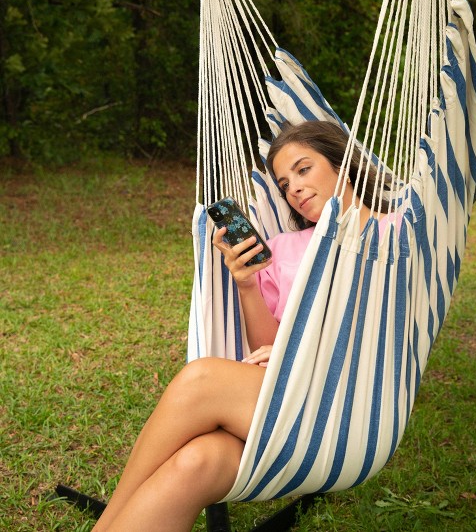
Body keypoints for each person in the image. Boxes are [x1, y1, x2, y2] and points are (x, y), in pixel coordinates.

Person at [92, 120, 386, 532]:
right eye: (284, 184)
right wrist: (247, 283)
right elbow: (264, 347)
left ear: (341, 164)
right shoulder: (283, 248)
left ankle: (102, 524)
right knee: (197, 461)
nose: (294, 189)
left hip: (345, 411)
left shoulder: (396, 235)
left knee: (203, 378)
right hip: (279, 402)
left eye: (303, 170)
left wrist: (293, 352)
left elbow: (377, 332)